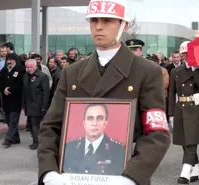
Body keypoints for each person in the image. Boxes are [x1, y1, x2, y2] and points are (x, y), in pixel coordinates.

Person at [37, 0, 170, 185]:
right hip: (73, 175)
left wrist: (132, 177)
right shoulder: (72, 73)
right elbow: (50, 127)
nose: (98, 27)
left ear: (124, 25)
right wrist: (49, 172)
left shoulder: (146, 72)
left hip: (123, 174)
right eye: (94, 20)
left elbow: (156, 133)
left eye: (107, 20)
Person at [168, 41, 199, 184]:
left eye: (188, 53)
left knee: (191, 140)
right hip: (180, 106)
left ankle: (185, 171)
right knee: (184, 141)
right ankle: (196, 169)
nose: (185, 56)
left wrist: (194, 71)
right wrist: (171, 114)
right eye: (183, 53)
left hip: (195, 108)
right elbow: (172, 93)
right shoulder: (175, 71)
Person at [63, 104, 125, 175]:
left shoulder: (119, 150)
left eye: (99, 118)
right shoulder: (69, 148)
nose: (94, 123)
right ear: (84, 124)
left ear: (105, 123)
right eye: (90, 118)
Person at [23, 59, 50, 150]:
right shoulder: (26, 76)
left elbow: (46, 93)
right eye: (27, 67)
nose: (29, 69)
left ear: (35, 66)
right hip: (28, 104)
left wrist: (44, 106)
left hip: (38, 104)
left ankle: (37, 142)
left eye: (31, 67)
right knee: (31, 125)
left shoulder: (42, 76)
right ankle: (36, 140)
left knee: (35, 125)